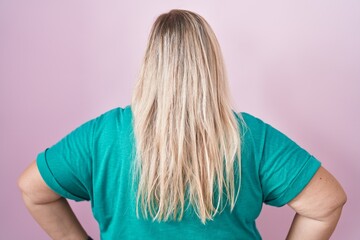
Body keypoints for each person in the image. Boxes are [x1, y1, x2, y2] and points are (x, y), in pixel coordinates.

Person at [18, 9, 346, 240]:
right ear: (210, 65)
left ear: (150, 65)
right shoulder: (250, 137)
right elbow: (326, 203)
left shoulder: (103, 135)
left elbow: (32, 188)